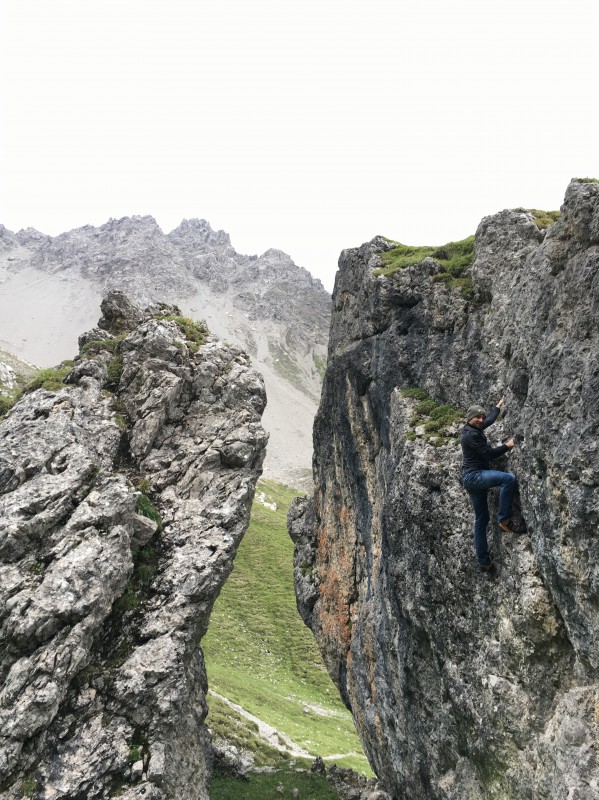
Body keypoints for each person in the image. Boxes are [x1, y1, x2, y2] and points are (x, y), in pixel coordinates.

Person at [461, 397, 522, 574]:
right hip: (475, 476)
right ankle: (504, 519)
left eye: (482, 416)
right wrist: (508, 445)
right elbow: (489, 455)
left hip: (470, 479)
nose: (481, 420)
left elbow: (488, 420)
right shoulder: (471, 435)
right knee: (507, 479)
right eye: (477, 417)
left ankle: (484, 563)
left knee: (481, 520)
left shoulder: (472, 428)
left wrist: (497, 406)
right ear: (469, 418)